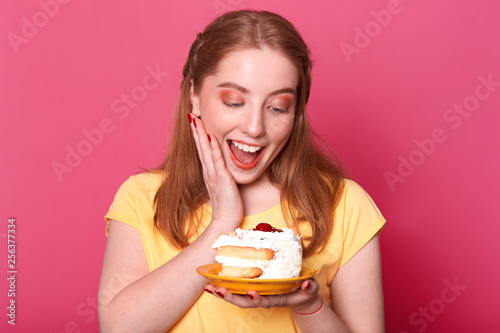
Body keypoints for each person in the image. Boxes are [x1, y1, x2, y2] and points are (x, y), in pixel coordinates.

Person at [98, 9, 386, 333]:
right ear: (194, 95)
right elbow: (119, 328)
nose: (254, 127)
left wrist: (309, 305)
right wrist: (222, 224)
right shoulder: (142, 197)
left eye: (278, 107)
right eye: (235, 102)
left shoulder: (344, 205)